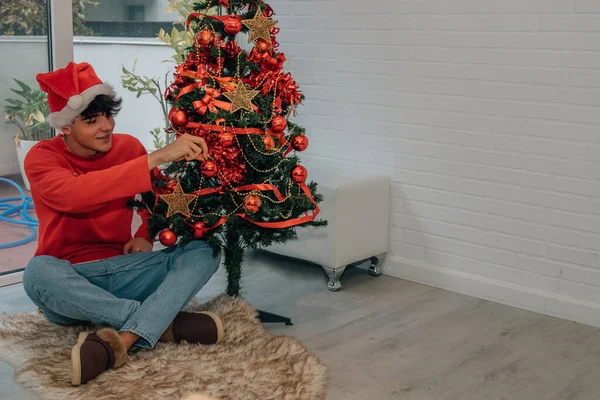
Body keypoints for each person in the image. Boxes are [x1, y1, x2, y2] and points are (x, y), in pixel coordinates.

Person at [22, 61, 224, 386]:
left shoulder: (129, 148)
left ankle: (125, 338)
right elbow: (76, 194)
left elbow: (157, 201)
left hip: (127, 270)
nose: (106, 127)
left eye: (108, 116)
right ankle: (161, 322)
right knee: (36, 274)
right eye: (92, 120)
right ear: (65, 127)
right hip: (73, 279)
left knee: (206, 250)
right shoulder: (42, 158)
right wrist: (156, 157)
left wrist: (145, 233)